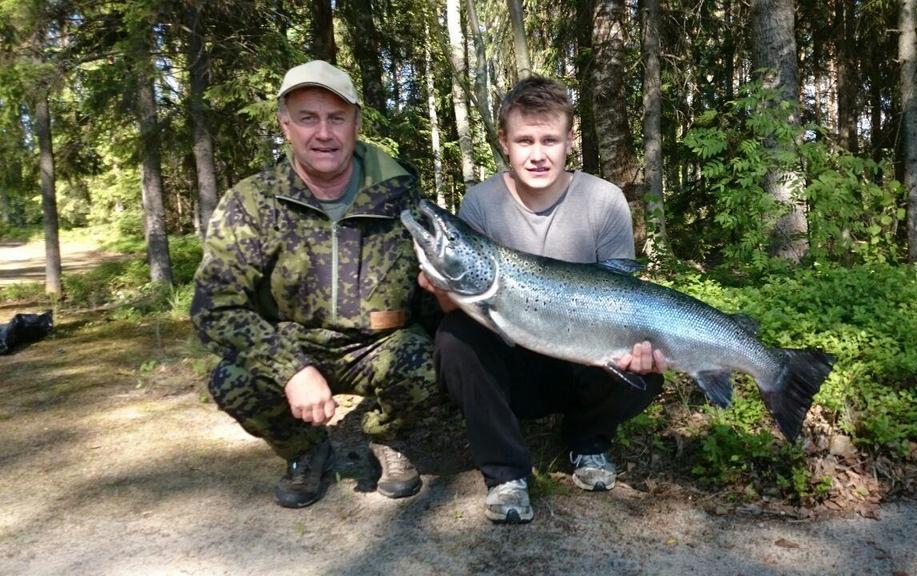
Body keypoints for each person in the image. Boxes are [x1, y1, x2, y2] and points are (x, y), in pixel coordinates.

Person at [191, 60, 439, 509]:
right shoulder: (252, 202)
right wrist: (290, 369)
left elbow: (433, 290)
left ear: (356, 124)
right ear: (286, 125)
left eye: (336, 118)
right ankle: (306, 451)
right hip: (294, 343)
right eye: (308, 118)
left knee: (434, 359)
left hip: (378, 345)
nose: (323, 133)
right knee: (233, 379)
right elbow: (214, 306)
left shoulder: (400, 196)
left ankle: (388, 438)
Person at [420, 75, 666, 524]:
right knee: (453, 337)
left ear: (570, 140)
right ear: (504, 142)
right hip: (514, 365)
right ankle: (506, 471)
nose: (537, 153)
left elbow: (623, 292)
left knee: (645, 368)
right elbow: (456, 308)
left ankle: (587, 441)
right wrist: (444, 289)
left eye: (550, 139)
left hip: (584, 361)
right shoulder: (479, 202)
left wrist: (642, 347)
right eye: (525, 140)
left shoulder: (605, 200)